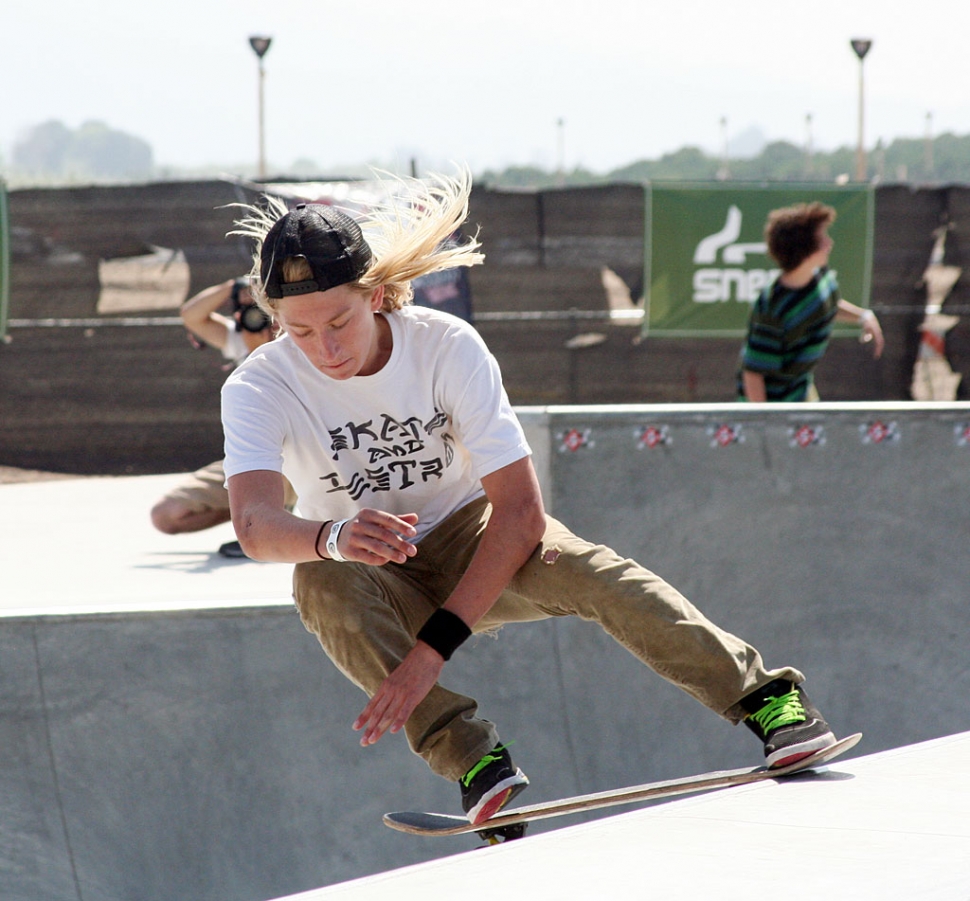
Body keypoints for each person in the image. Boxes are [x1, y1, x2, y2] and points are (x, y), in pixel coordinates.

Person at [222, 171, 840, 827]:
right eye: (301, 332)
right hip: (372, 565)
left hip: (474, 533)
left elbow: (520, 513)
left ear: (375, 295)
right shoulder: (257, 387)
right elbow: (256, 523)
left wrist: (427, 655)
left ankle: (767, 698)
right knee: (317, 581)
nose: (328, 349)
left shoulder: (445, 346)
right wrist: (335, 536)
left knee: (592, 573)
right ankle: (475, 762)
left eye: (341, 322)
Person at [150, 276, 291, 558]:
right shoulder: (239, 340)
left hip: (304, 457)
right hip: (252, 458)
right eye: (251, 310)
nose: (259, 318)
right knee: (167, 515)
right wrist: (235, 286)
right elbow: (191, 315)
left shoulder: (299, 339)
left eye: (265, 308)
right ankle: (261, 518)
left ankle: (271, 522)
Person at [737, 201, 885, 402]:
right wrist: (766, 424)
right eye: (822, 238)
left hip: (803, 392)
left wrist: (863, 317)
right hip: (771, 406)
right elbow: (753, 374)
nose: (829, 243)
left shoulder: (823, 280)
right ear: (805, 249)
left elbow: (827, 305)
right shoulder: (771, 308)